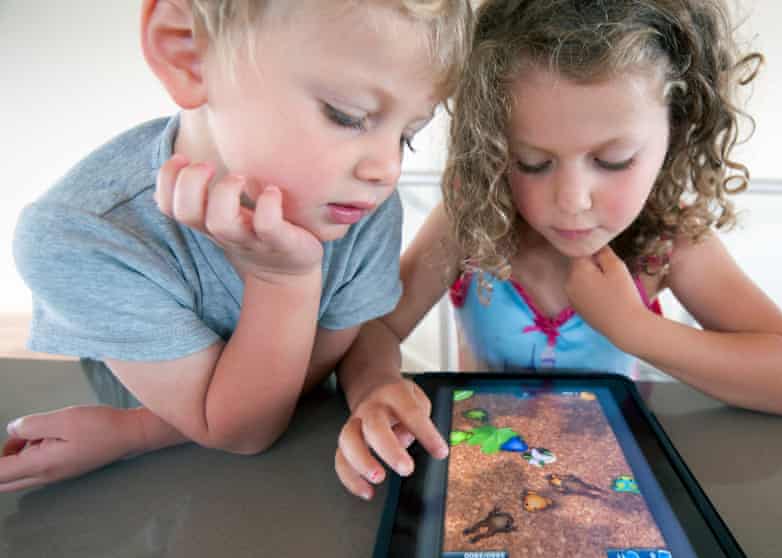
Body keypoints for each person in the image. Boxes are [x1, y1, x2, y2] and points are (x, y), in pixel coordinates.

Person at [334, 0, 782, 500]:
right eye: (531, 162)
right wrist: (375, 389)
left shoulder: (666, 241)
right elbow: (375, 327)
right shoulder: (471, 218)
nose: (572, 201)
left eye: (614, 161)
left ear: (675, 131)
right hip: (486, 471)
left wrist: (635, 329)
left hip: (612, 482)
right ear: (493, 144)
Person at [0, 0, 470, 494]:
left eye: (408, 135)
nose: (386, 170)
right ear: (187, 52)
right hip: (157, 488)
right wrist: (282, 280)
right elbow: (244, 432)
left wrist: (134, 432)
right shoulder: (82, 237)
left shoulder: (359, 209)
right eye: (348, 116)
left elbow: (310, 376)